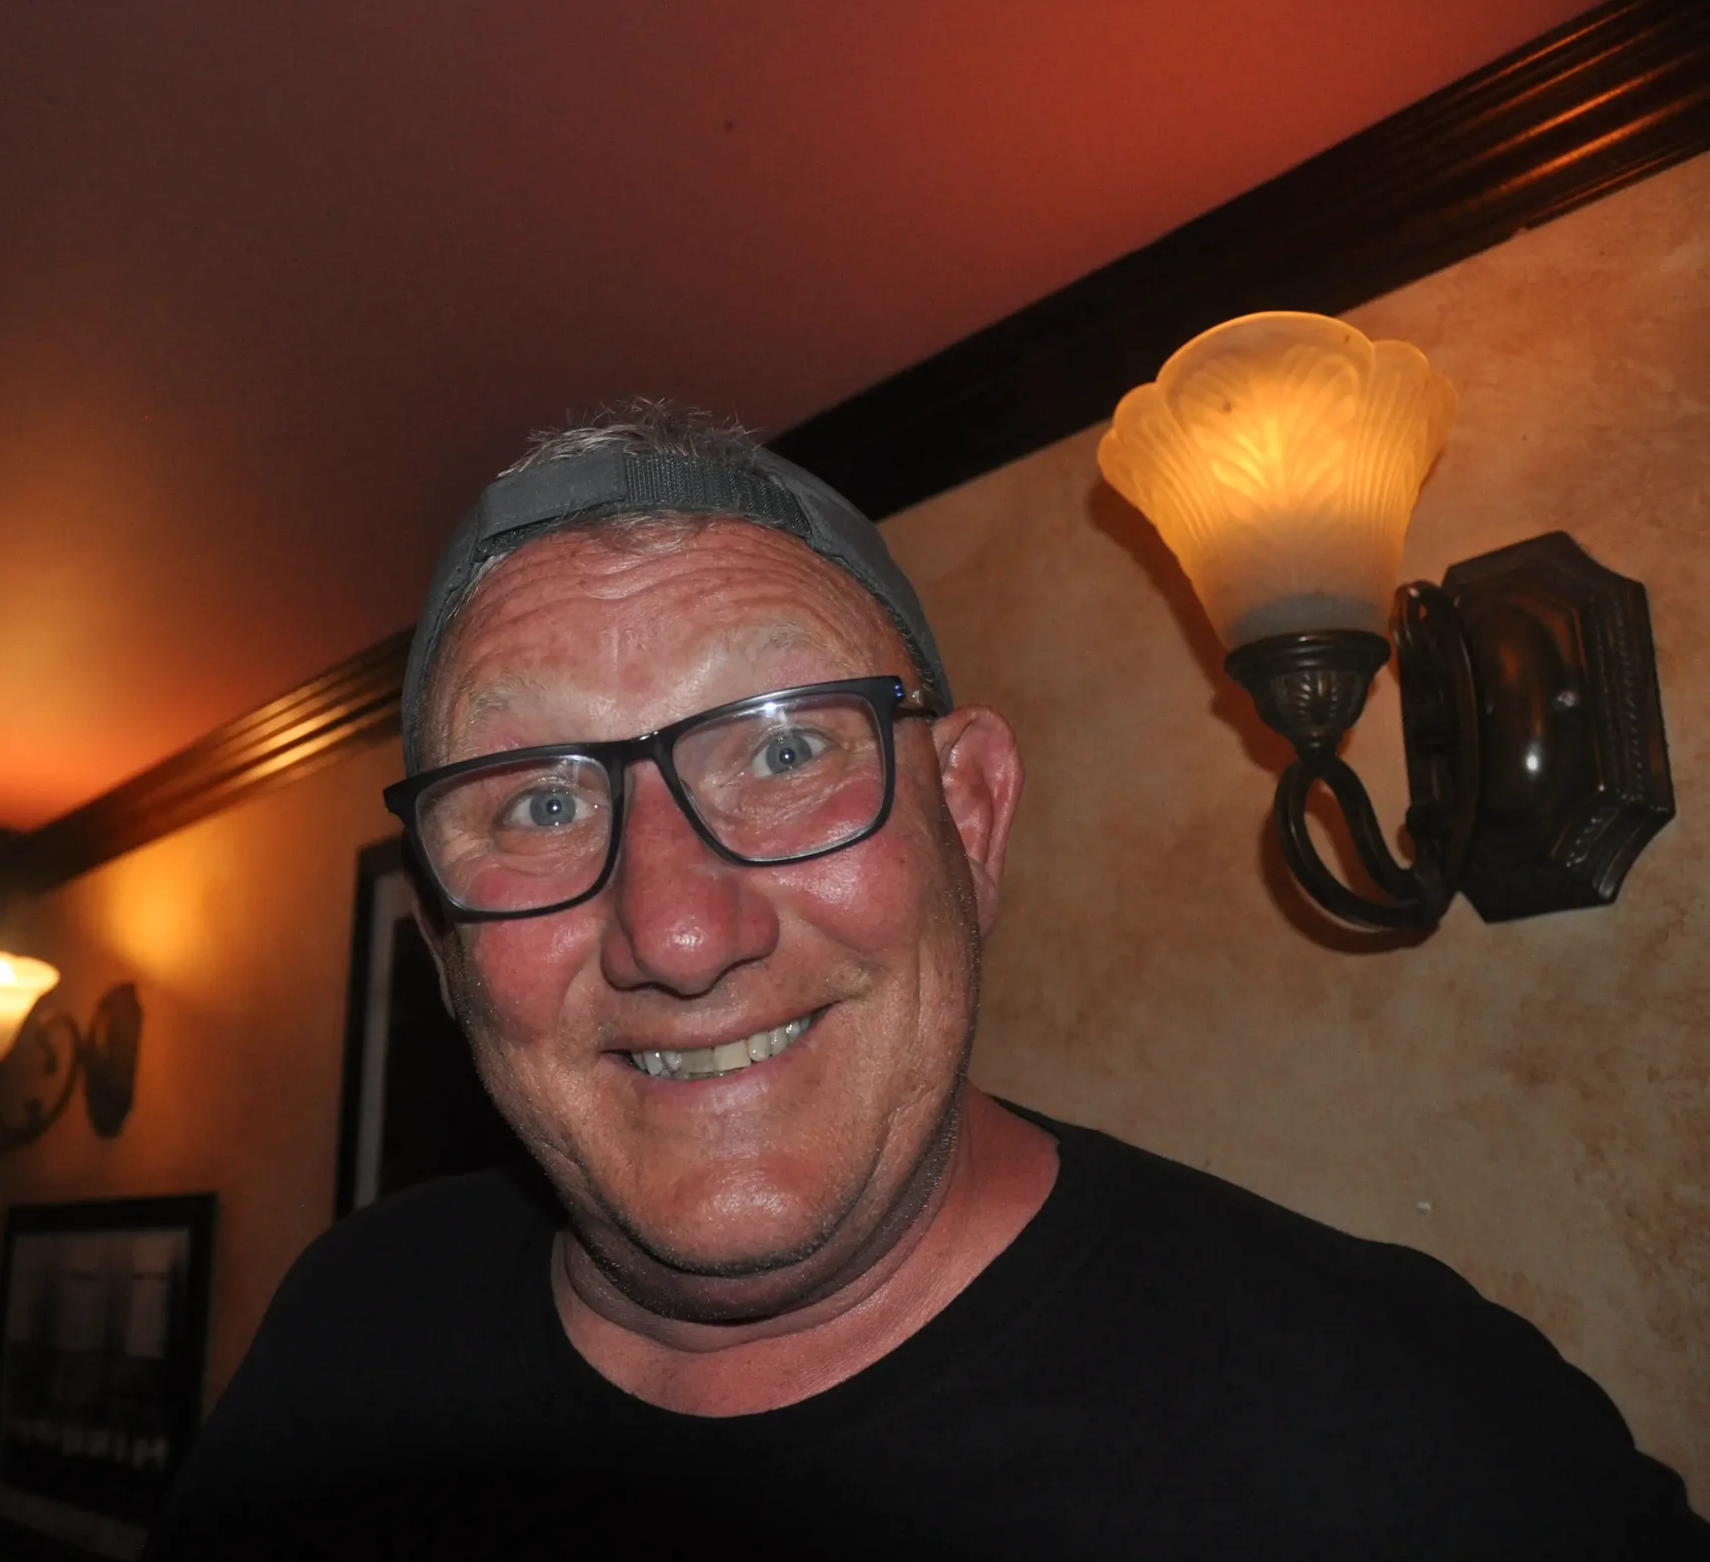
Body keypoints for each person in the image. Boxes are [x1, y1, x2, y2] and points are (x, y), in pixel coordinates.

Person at [150, 404, 1705, 1558]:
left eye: (780, 748)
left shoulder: (1406, 1450)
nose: (679, 935)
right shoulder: (348, 1338)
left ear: (969, 817)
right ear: (443, 949)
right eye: (541, 802)